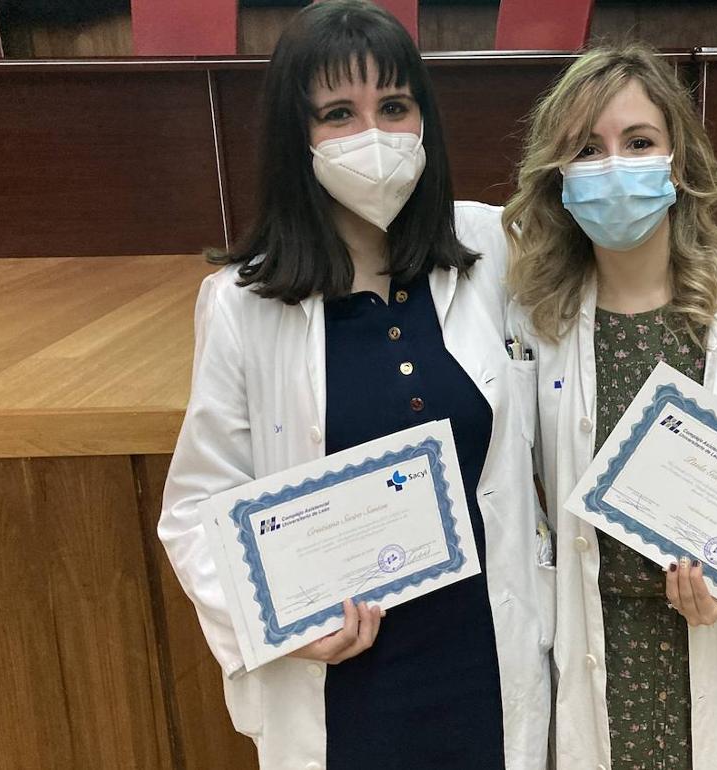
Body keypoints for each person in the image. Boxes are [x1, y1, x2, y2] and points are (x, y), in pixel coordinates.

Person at [157, 3, 553, 768]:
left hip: (484, 653)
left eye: (394, 107)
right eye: (339, 114)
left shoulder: (493, 246)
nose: (374, 136)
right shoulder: (243, 302)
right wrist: (276, 621)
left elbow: (629, 272)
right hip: (347, 674)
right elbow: (197, 507)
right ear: (295, 138)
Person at [503, 43, 717, 770]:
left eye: (638, 143)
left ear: (678, 159)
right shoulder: (534, 317)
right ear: (558, 175)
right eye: (586, 149)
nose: (613, 167)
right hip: (595, 630)